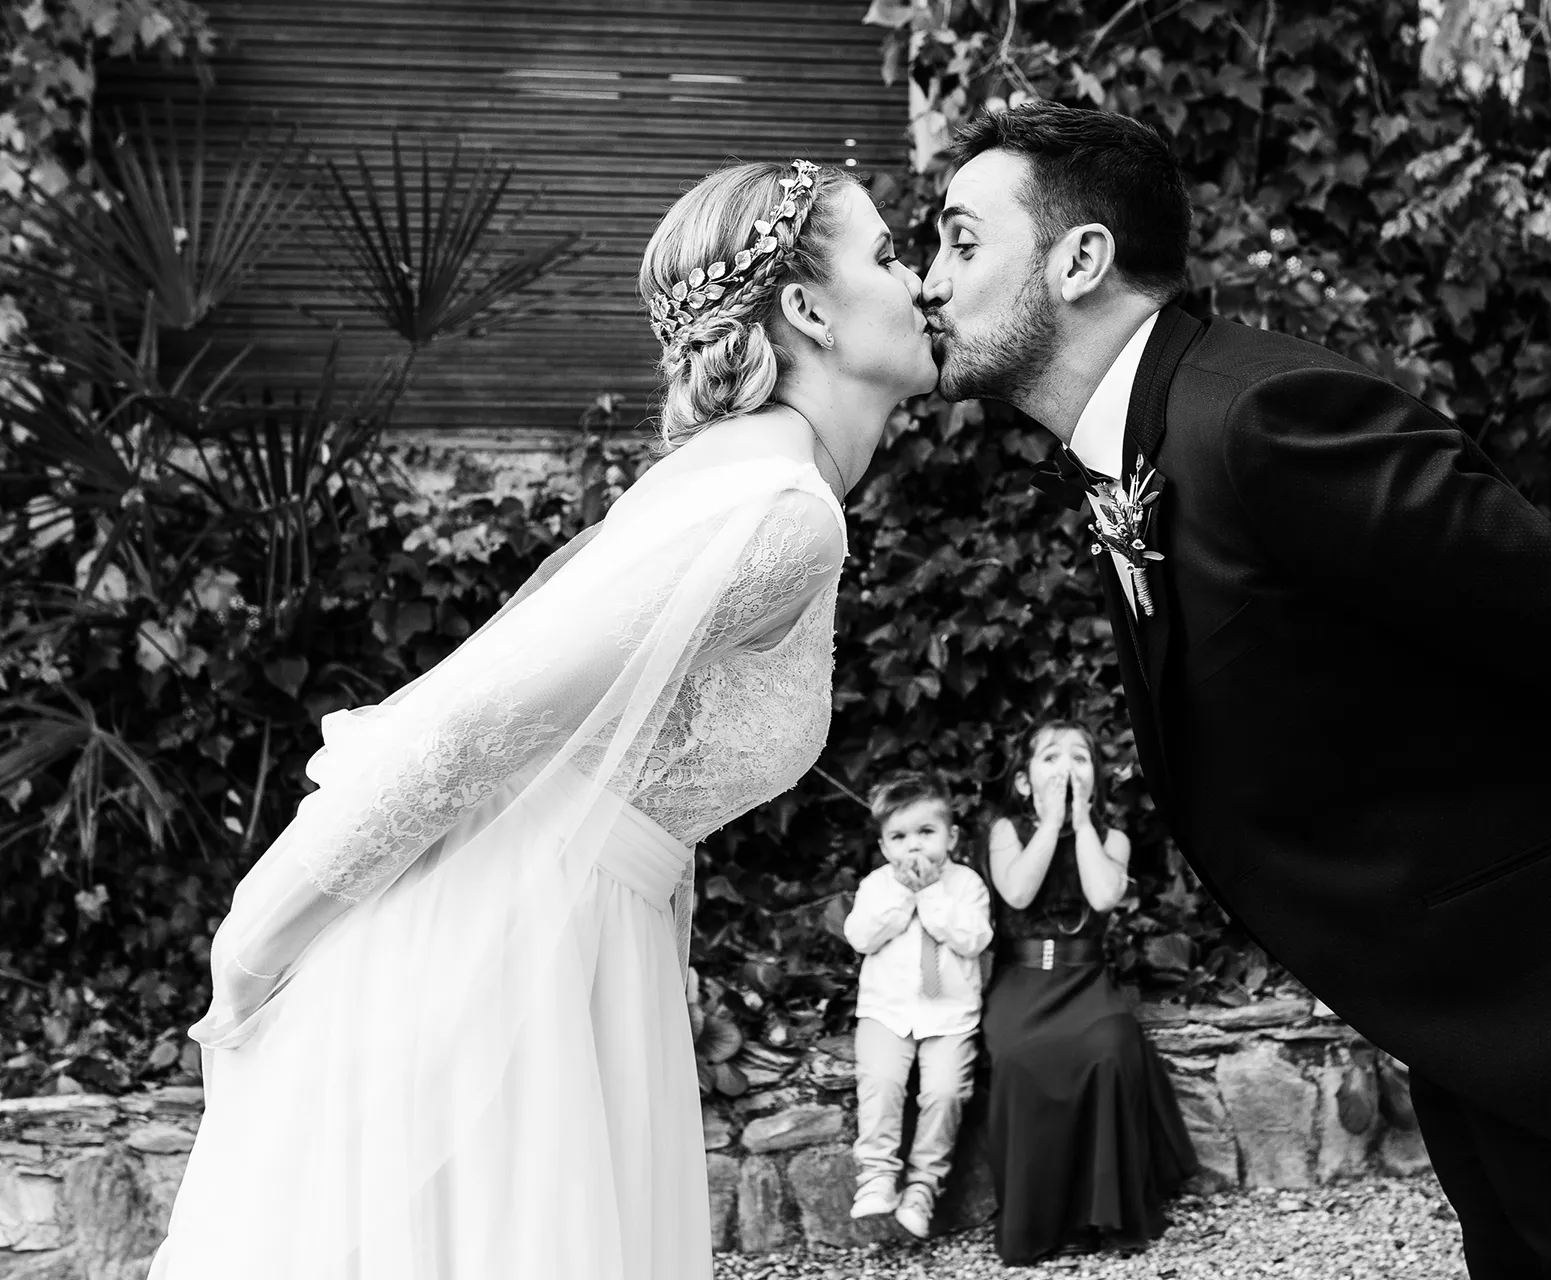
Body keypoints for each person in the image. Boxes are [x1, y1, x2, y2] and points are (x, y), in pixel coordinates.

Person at [920, 102, 1551, 1279]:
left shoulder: (1260, 416)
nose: (929, 278)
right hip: (1484, 1004)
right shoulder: (1144, 449)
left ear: (1081, 260)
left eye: (961, 240)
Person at [148, 157, 937, 1280]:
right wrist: (255, 936)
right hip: (507, 950)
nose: (921, 282)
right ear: (808, 310)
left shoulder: (734, 475)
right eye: (890, 255)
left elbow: (622, 751)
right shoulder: (778, 515)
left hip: (580, 937)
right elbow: (469, 725)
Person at [980, 719, 1195, 1265]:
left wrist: (1079, 823)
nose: (1066, 768)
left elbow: (1102, 897)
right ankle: (1040, 1217)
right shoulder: (1007, 830)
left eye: (1080, 758)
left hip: (1085, 982)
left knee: (1110, 1051)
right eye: (1051, 757)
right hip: (1023, 980)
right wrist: (1051, 823)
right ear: (1024, 780)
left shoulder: (1112, 839)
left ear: (1095, 779)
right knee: (1020, 1059)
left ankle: (1096, 1214)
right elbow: (1017, 892)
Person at [840, 772, 993, 1239]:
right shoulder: (877, 885)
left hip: (950, 1017)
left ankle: (924, 1187)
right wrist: (904, 897)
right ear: (884, 846)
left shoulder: (966, 885)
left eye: (926, 832)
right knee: (881, 1082)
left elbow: (974, 939)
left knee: (945, 1093)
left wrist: (930, 895)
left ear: (952, 837)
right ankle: (877, 1176)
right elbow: (860, 936)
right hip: (886, 1013)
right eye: (899, 837)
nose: (914, 846)